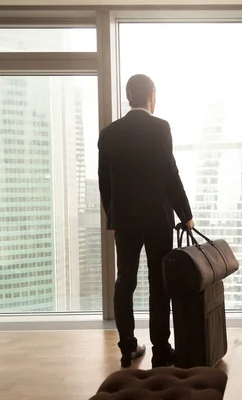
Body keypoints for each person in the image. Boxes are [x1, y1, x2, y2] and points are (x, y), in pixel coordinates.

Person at [98, 74, 194, 368]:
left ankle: (127, 348)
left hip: (125, 220)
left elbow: (105, 183)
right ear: (151, 94)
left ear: (129, 96)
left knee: (125, 282)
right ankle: (161, 350)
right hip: (156, 219)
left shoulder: (110, 133)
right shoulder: (159, 128)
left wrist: (112, 215)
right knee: (159, 284)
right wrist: (185, 215)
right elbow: (170, 174)